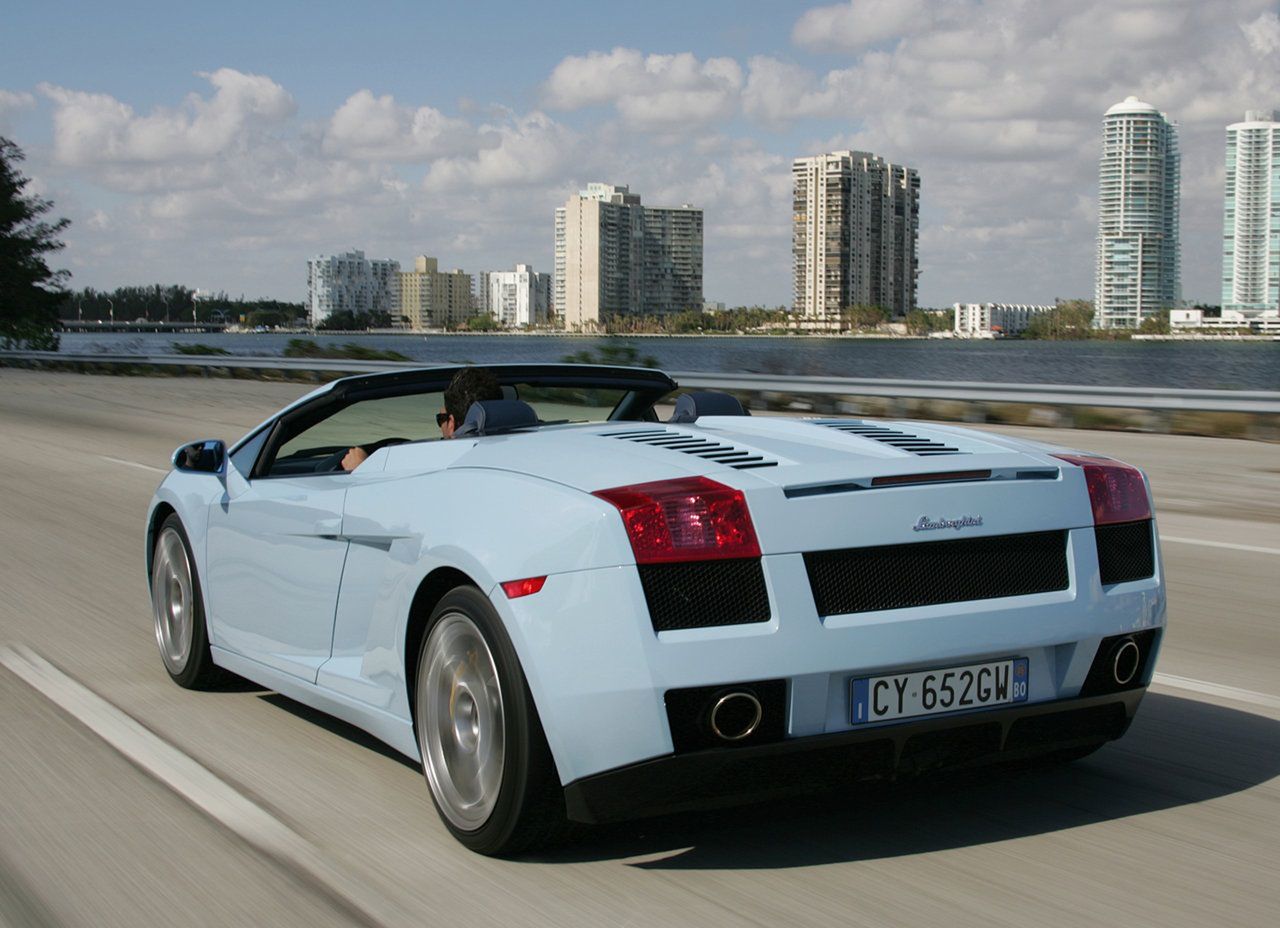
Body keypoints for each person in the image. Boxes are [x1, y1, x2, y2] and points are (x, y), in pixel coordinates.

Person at [341, 367, 502, 471]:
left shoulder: (453, 470)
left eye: (441, 419)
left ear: (451, 423)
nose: (440, 426)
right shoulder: (503, 455)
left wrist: (361, 470)